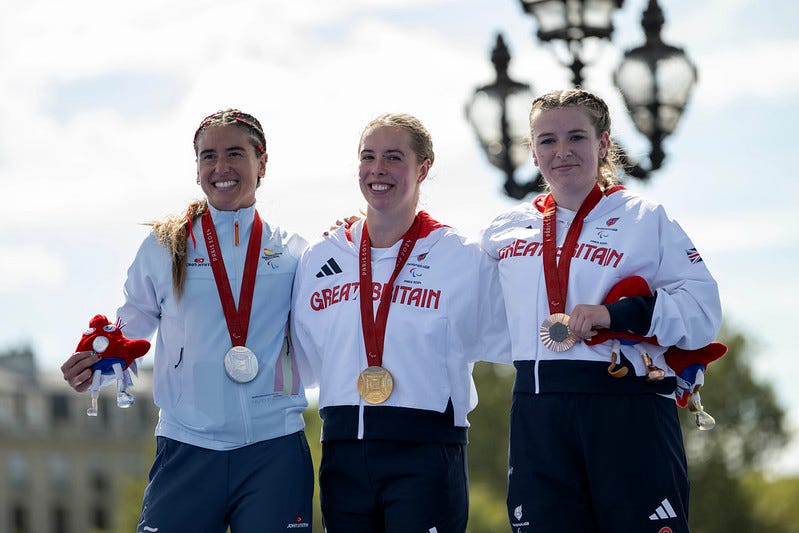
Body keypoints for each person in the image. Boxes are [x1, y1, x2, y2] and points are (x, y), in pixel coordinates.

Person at [480, 88, 722, 533]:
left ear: (603, 143)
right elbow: (455, 293)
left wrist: (619, 314)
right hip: (537, 412)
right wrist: (360, 232)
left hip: (627, 407)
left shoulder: (645, 218)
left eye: (576, 136)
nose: (562, 151)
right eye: (547, 140)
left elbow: (703, 311)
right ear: (533, 152)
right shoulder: (504, 229)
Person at [60, 109, 313, 532]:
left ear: (261, 162)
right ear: (196, 168)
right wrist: (96, 366)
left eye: (235, 153)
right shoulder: (164, 246)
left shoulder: (292, 251)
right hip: (188, 444)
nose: (221, 167)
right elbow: (131, 324)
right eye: (207, 156)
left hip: (274, 447)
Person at [290, 113, 510, 532]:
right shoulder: (322, 256)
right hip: (342, 452)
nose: (378, 170)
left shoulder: (461, 256)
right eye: (368, 157)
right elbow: (306, 359)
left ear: (423, 167)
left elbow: (511, 338)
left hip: (425, 451)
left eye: (394, 157)